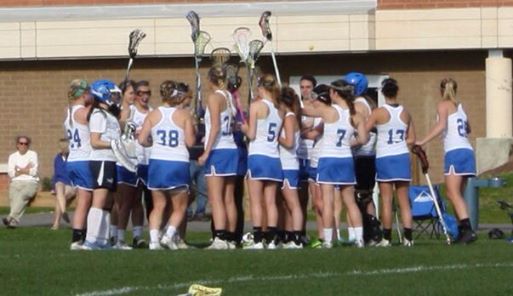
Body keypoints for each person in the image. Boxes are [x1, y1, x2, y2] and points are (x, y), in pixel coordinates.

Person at [302, 80, 368, 248]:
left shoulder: (329, 111)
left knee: (328, 201)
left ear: (335, 94)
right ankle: (360, 239)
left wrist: (287, 104)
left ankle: (329, 240)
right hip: (345, 159)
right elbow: (363, 139)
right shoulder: (356, 114)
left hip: (328, 159)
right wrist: (348, 144)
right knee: (350, 202)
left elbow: (305, 110)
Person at [416, 78, 477, 244]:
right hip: (467, 151)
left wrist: (423, 141)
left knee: (451, 193)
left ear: (441, 90)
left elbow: (442, 125)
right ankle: (462, 231)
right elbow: (468, 128)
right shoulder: (460, 107)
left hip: (454, 151)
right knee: (459, 194)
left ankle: (467, 229)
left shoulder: (443, 105)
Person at [139, 80, 195, 250]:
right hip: (177, 161)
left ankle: (154, 241)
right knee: (180, 206)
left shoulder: (153, 114)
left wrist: (153, 144)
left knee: (158, 205)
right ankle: (169, 235)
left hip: (157, 161)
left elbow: (142, 139)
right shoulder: (184, 115)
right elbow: (190, 142)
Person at [366, 78, 415, 247]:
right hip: (402, 156)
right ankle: (408, 238)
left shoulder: (378, 112)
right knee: (403, 200)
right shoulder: (406, 113)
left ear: (383, 93)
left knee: (386, 200)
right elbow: (412, 139)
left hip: (385, 157)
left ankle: (387, 238)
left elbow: (364, 130)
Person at [242, 74, 284, 249]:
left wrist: (243, 127)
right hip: (274, 157)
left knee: (256, 200)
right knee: (271, 201)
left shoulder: (256, 106)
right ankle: (272, 239)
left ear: (261, 88)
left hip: (258, 155)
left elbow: (251, 134)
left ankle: (259, 239)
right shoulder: (280, 109)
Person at [199, 66, 239, 249]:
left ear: (211, 80)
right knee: (229, 197)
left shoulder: (215, 97)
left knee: (216, 198)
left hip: (219, 150)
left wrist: (206, 152)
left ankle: (220, 238)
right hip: (231, 148)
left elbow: (215, 126)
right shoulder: (229, 97)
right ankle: (231, 237)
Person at [82, 79, 122, 250]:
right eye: (112, 94)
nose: (114, 97)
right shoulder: (98, 115)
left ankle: (102, 240)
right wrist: (114, 144)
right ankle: (90, 240)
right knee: (99, 200)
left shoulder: (109, 115)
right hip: (101, 160)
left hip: (110, 160)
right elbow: (95, 141)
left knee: (107, 202)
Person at [346, 72, 382, 245]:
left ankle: (371, 231)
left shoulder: (359, 105)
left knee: (361, 196)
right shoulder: (368, 102)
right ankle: (372, 231)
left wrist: (346, 143)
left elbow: (362, 133)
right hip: (368, 155)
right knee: (365, 195)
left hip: (362, 154)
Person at [64, 79, 94, 250]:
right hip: (84, 159)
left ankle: (80, 235)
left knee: (82, 199)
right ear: (84, 94)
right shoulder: (84, 112)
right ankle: (80, 237)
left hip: (73, 160)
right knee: (85, 200)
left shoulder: (68, 111)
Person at [278, 86, 304, 248]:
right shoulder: (290, 117)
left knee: (293, 203)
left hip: (288, 164)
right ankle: (289, 235)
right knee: (287, 204)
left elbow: (289, 142)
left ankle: (297, 237)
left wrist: (274, 137)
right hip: (286, 164)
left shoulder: (289, 117)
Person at [3, 136, 39, 228]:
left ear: (28, 145)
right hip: (16, 182)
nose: (23, 145)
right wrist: (26, 169)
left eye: (25, 143)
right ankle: (13, 222)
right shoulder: (12, 156)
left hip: (30, 182)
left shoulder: (32, 154)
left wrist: (18, 169)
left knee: (23, 195)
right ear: (17, 145)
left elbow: (34, 172)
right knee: (14, 198)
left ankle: (9, 217)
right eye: (21, 143)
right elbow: (11, 174)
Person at [51, 138, 76, 230]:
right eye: (60, 147)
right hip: (60, 183)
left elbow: (72, 174)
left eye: (64, 147)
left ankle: (56, 224)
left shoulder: (73, 158)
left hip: (71, 183)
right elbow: (56, 174)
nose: (62, 149)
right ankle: (64, 211)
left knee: (60, 198)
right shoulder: (57, 158)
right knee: (58, 185)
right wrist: (53, 186)